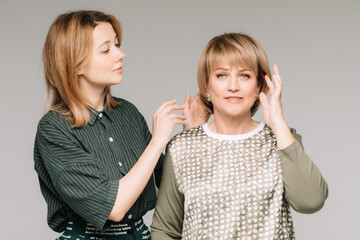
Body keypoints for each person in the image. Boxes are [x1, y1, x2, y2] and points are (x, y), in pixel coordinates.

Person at [34, 10, 207, 240]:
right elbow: (114, 208)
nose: (121, 54)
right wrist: (157, 142)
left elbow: (169, 189)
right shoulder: (54, 129)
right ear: (75, 65)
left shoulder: (128, 113)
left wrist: (189, 133)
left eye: (117, 44)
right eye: (106, 50)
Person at [151, 33, 329, 240]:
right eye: (221, 75)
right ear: (207, 86)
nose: (233, 86)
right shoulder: (182, 147)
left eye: (244, 75)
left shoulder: (281, 140)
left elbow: (311, 201)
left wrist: (279, 123)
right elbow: (165, 229)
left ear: (259, 87)